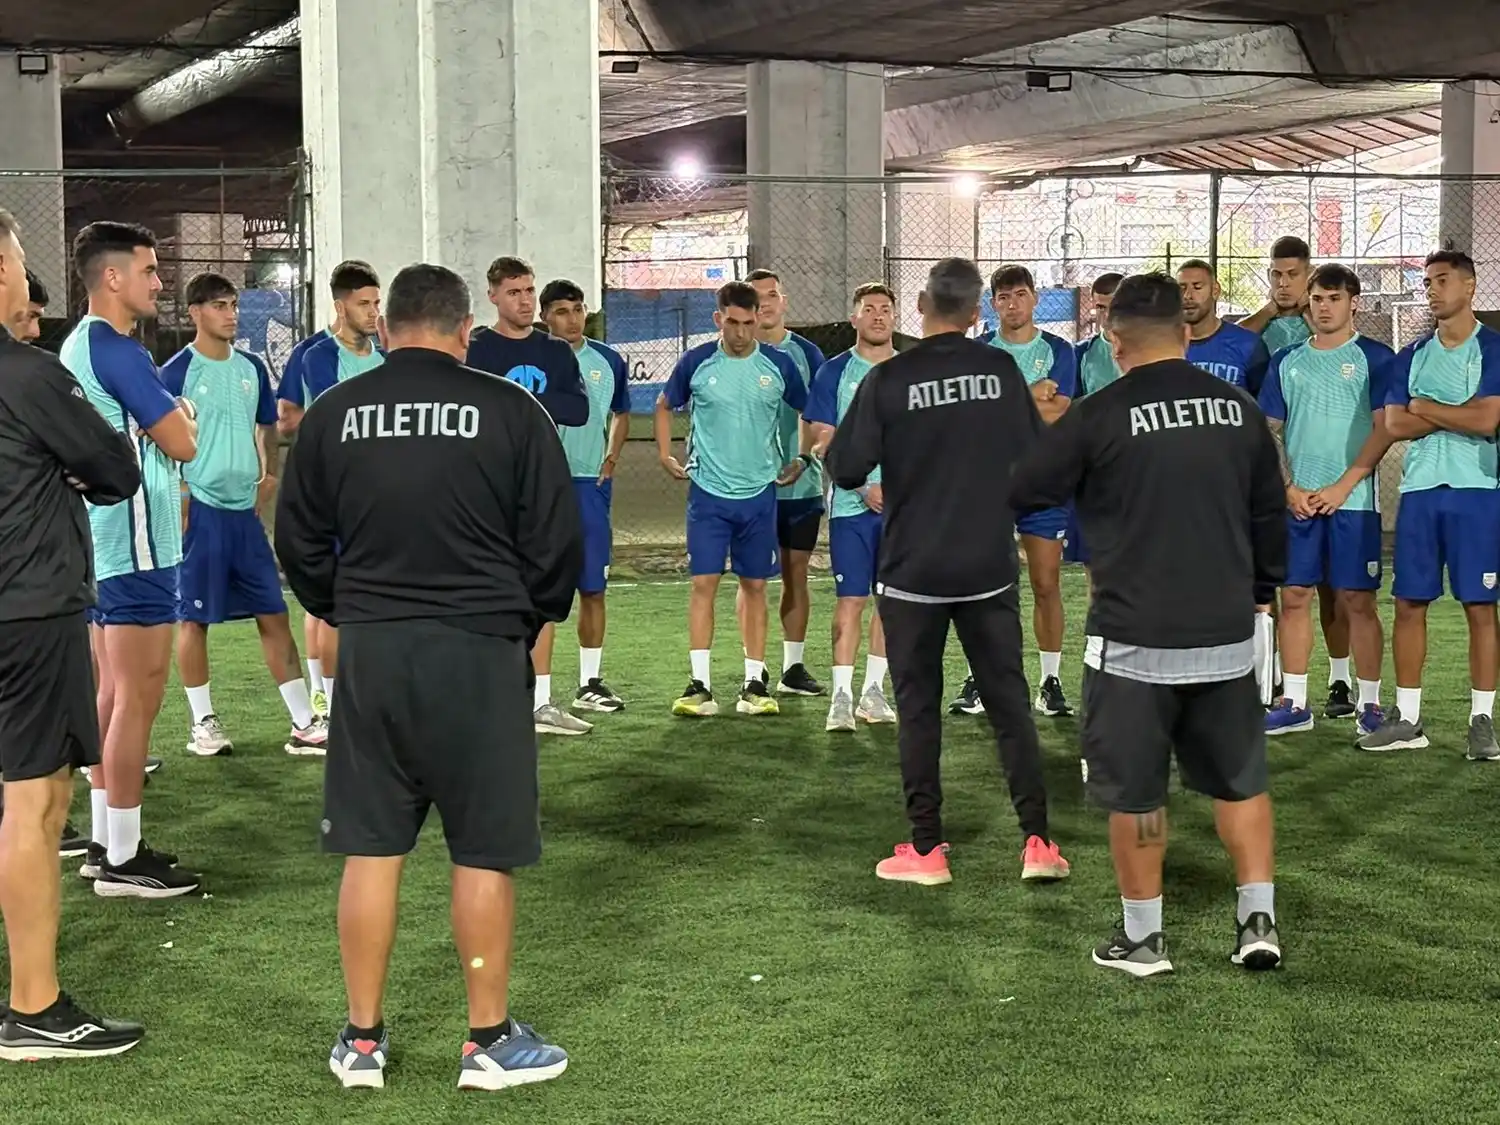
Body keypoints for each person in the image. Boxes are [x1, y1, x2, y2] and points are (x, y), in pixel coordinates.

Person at [274, 263, 581, 1091]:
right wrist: (518, 623)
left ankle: (362, 1042)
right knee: (481, 849)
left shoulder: (336, 412)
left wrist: (349, 606)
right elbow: (558, 547)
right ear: (463, 330)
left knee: (371, 848)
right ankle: (486, 1040)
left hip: (373, 651)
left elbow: (296, 541)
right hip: (479, 652)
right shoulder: (514, 409)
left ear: (388, 326)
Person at [1010, 271, 1285, 977]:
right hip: (1226, 632)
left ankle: (1143, 940)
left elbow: (1027, 488)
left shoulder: (1099, 414)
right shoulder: (1239, 410)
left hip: (1134, 639)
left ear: (1110, 335)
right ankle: (1258, 921)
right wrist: (1259, 592)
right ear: (1187, 332)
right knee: (1240, 781)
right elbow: (1266, 514)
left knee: (1138, 791)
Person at [826, 257, 1068, 887]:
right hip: (986, 562)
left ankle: (927, 850)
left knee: (919, 708)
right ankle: (1038, 843)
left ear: (920, 308)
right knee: (1009, 703)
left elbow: (847, 469)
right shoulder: (1000, 371)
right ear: (975, 315)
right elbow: (1037, 467)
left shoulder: (888, 378)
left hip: (914, 570)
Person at [0, 209, 146, 1056]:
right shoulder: (27, 375)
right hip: (27, 608)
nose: (26, 281)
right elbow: (115, 467)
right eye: (18, 265)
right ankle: (34, 1005)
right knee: (36, 799)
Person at [60, 222, 202, 899]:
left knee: (112, 696)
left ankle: (101, 842)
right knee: (135, 700)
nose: (158, 280)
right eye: (148, 269)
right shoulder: (117, 350)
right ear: (112, 277)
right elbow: (183, 445)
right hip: (136, 544)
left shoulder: (75, 344)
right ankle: (122, 857)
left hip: (101, 541)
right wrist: (182, 416)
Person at [160, 273, 326, 757]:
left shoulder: (252, 366)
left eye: (233, 304)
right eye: (219, 305)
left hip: (244, 515)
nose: (231, 313)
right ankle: (203, 724)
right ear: (194, 312)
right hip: (202, 511)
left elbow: (267, 426)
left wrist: (269, 471)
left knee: (274, 613)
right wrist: (183, 494)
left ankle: (303, 723)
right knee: (193, 619)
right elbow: (160, 442)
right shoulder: (176, 372)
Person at [1360, 250, 1500, 759]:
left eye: (1442, 280)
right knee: (1409, 602)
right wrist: (1454, 413)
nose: (1432, 290)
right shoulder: (1412, 353)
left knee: (1481, 606)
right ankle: (1409, 718)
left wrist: (1425, 406)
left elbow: (1489, 420)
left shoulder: (1493, 347)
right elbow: (1395, 425)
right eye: (1428, 282)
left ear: (1469, 286)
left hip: (1479, 490)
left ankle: (1481, 722)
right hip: (1419, 491)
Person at [655, 281, 810, 718]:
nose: (742, 332)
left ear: (758, 318)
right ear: (718, 318)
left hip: (759, 494)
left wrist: (800, 457)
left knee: (755, 586)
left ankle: (754, 682)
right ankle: (699, 685)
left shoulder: (778, 364)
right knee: (703, 585)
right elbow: (666, 404)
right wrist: (666, 453)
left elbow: (808, 410)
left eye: (749, 322)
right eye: (733, 322)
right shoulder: (697, 361)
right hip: (708, 495)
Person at [1258, 264, 1394, 739]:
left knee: (1357, 599)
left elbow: (1385, 429)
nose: (1323, 306)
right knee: (1294, 596)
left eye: (1334, 298)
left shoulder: (1376, 358)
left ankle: (1371, 705)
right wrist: (1288, 489)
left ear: (1353, 301)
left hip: (1353, 501)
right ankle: (1295, 701)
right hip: (1298, 501)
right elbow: (1268, 433)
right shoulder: (1287, 360)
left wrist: (1342, 486)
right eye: (1317, 298)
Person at [949, 265, 1076, 721]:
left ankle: (1050, 681)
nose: (1012, 304)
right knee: (984, 589)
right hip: (986, 487)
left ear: (1034, 298)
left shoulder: (1060, 351)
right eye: (1003, 297)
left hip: (1043, 483)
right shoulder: (977, 350)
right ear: (993, 303)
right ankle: (978, 678)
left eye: (1020, 295)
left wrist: (1002, 400)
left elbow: (1057, 412)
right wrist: (1030, 393)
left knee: (1046, 583)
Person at [1240, 238, 1354, 719]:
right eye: (1276, 275)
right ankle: (1277, 683)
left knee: (1338, 589)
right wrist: (1272, 308)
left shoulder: (1328, 325)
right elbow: (1235, 342)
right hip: (1267, 473)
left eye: (1293, 275)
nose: (1284, 283)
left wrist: (1309, 310)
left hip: (1329, 480)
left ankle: (1342, 682)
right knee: (1277, 584)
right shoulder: (1257, 332)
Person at [276, 260, 378, 714]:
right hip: (331, 494)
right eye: (364, 304)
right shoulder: (317, 355)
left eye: (377, 303)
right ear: (340, 306)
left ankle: (335, 691)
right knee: (330, 599)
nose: (374, 312)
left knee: (355, 594)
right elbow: (293, 418)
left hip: (375, 494)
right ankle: (331, 698)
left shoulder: (382, 356)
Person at [534, 278, 633, 730]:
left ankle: (590, 683)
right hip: (542, 490)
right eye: (560, 311)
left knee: (593, 587)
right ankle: (539, 694)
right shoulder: (532, 360)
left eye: (576, 309)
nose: (571, 319)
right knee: (541, 592)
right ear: (544, 317)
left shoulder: (608, 360)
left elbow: (621, 411)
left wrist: (611, 457)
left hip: (590, 487)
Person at [803, 282, 899, 732]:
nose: (878, 315)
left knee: (891, 602)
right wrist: (861, 485)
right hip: (850, 505)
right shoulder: (834, 372)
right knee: (851, 600)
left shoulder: (913, 371)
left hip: (903, 511)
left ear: (895, 318)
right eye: (869, 309)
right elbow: (823, 440)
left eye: (885, 309)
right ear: (855, 318)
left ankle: (873, 693)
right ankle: (840, 698)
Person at [745, 268, 827, 697]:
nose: (766, 303)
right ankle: (752, 670)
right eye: (757, 297)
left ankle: (792, 668)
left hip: (801, 485)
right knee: (752, 578)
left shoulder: (809, 355)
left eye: (772, 295)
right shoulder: (736, 354)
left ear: (784, 300)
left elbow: (820, 414)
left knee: (797, 574)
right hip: (750, 489)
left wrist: (801, 457)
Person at [464, 256, 588, 427]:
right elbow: (473, 409)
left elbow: (578, 411)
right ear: (493, 296)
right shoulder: (476, 349)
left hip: (542, 452)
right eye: (514, 293)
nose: (525, 302)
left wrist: (510, 401)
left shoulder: (557, 349)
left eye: (529, 291)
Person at [1064, 272, 1125, 579]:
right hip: (1098, 469)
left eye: (1112, 307)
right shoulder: (1082, 353)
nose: (1105, 315)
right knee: (1096, 566)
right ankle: (1097, 629)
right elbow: (1073, 410)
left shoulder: (1148, 349)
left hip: (1142, 466)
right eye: (1100, 307)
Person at [1177, 259, 1271, 395]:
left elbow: (1264, 404)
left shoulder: (1248, 345)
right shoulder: (1165, 346)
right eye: (1182, 288)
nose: (1188, 296)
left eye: (1197, 287)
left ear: (1215, 291)